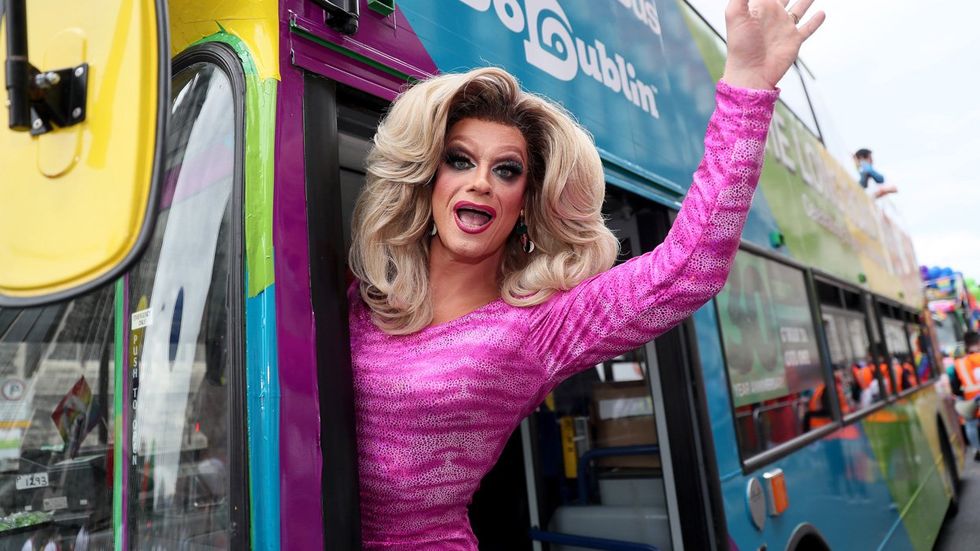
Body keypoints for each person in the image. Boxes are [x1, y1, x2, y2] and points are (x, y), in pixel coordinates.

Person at [346, 0, 825, 548]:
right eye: (460, 159)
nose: (480, 182)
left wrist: (746, 89)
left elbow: (690, 267)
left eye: (506, 170)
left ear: (524, 202)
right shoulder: (363, 297)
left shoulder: (538, 326)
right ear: (429, 176)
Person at [952, 331, 980, 461]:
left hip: (970, 400)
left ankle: (977, 449)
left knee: (970, 425)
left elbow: (955, 386)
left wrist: (961, 396)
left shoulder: (960, 363)